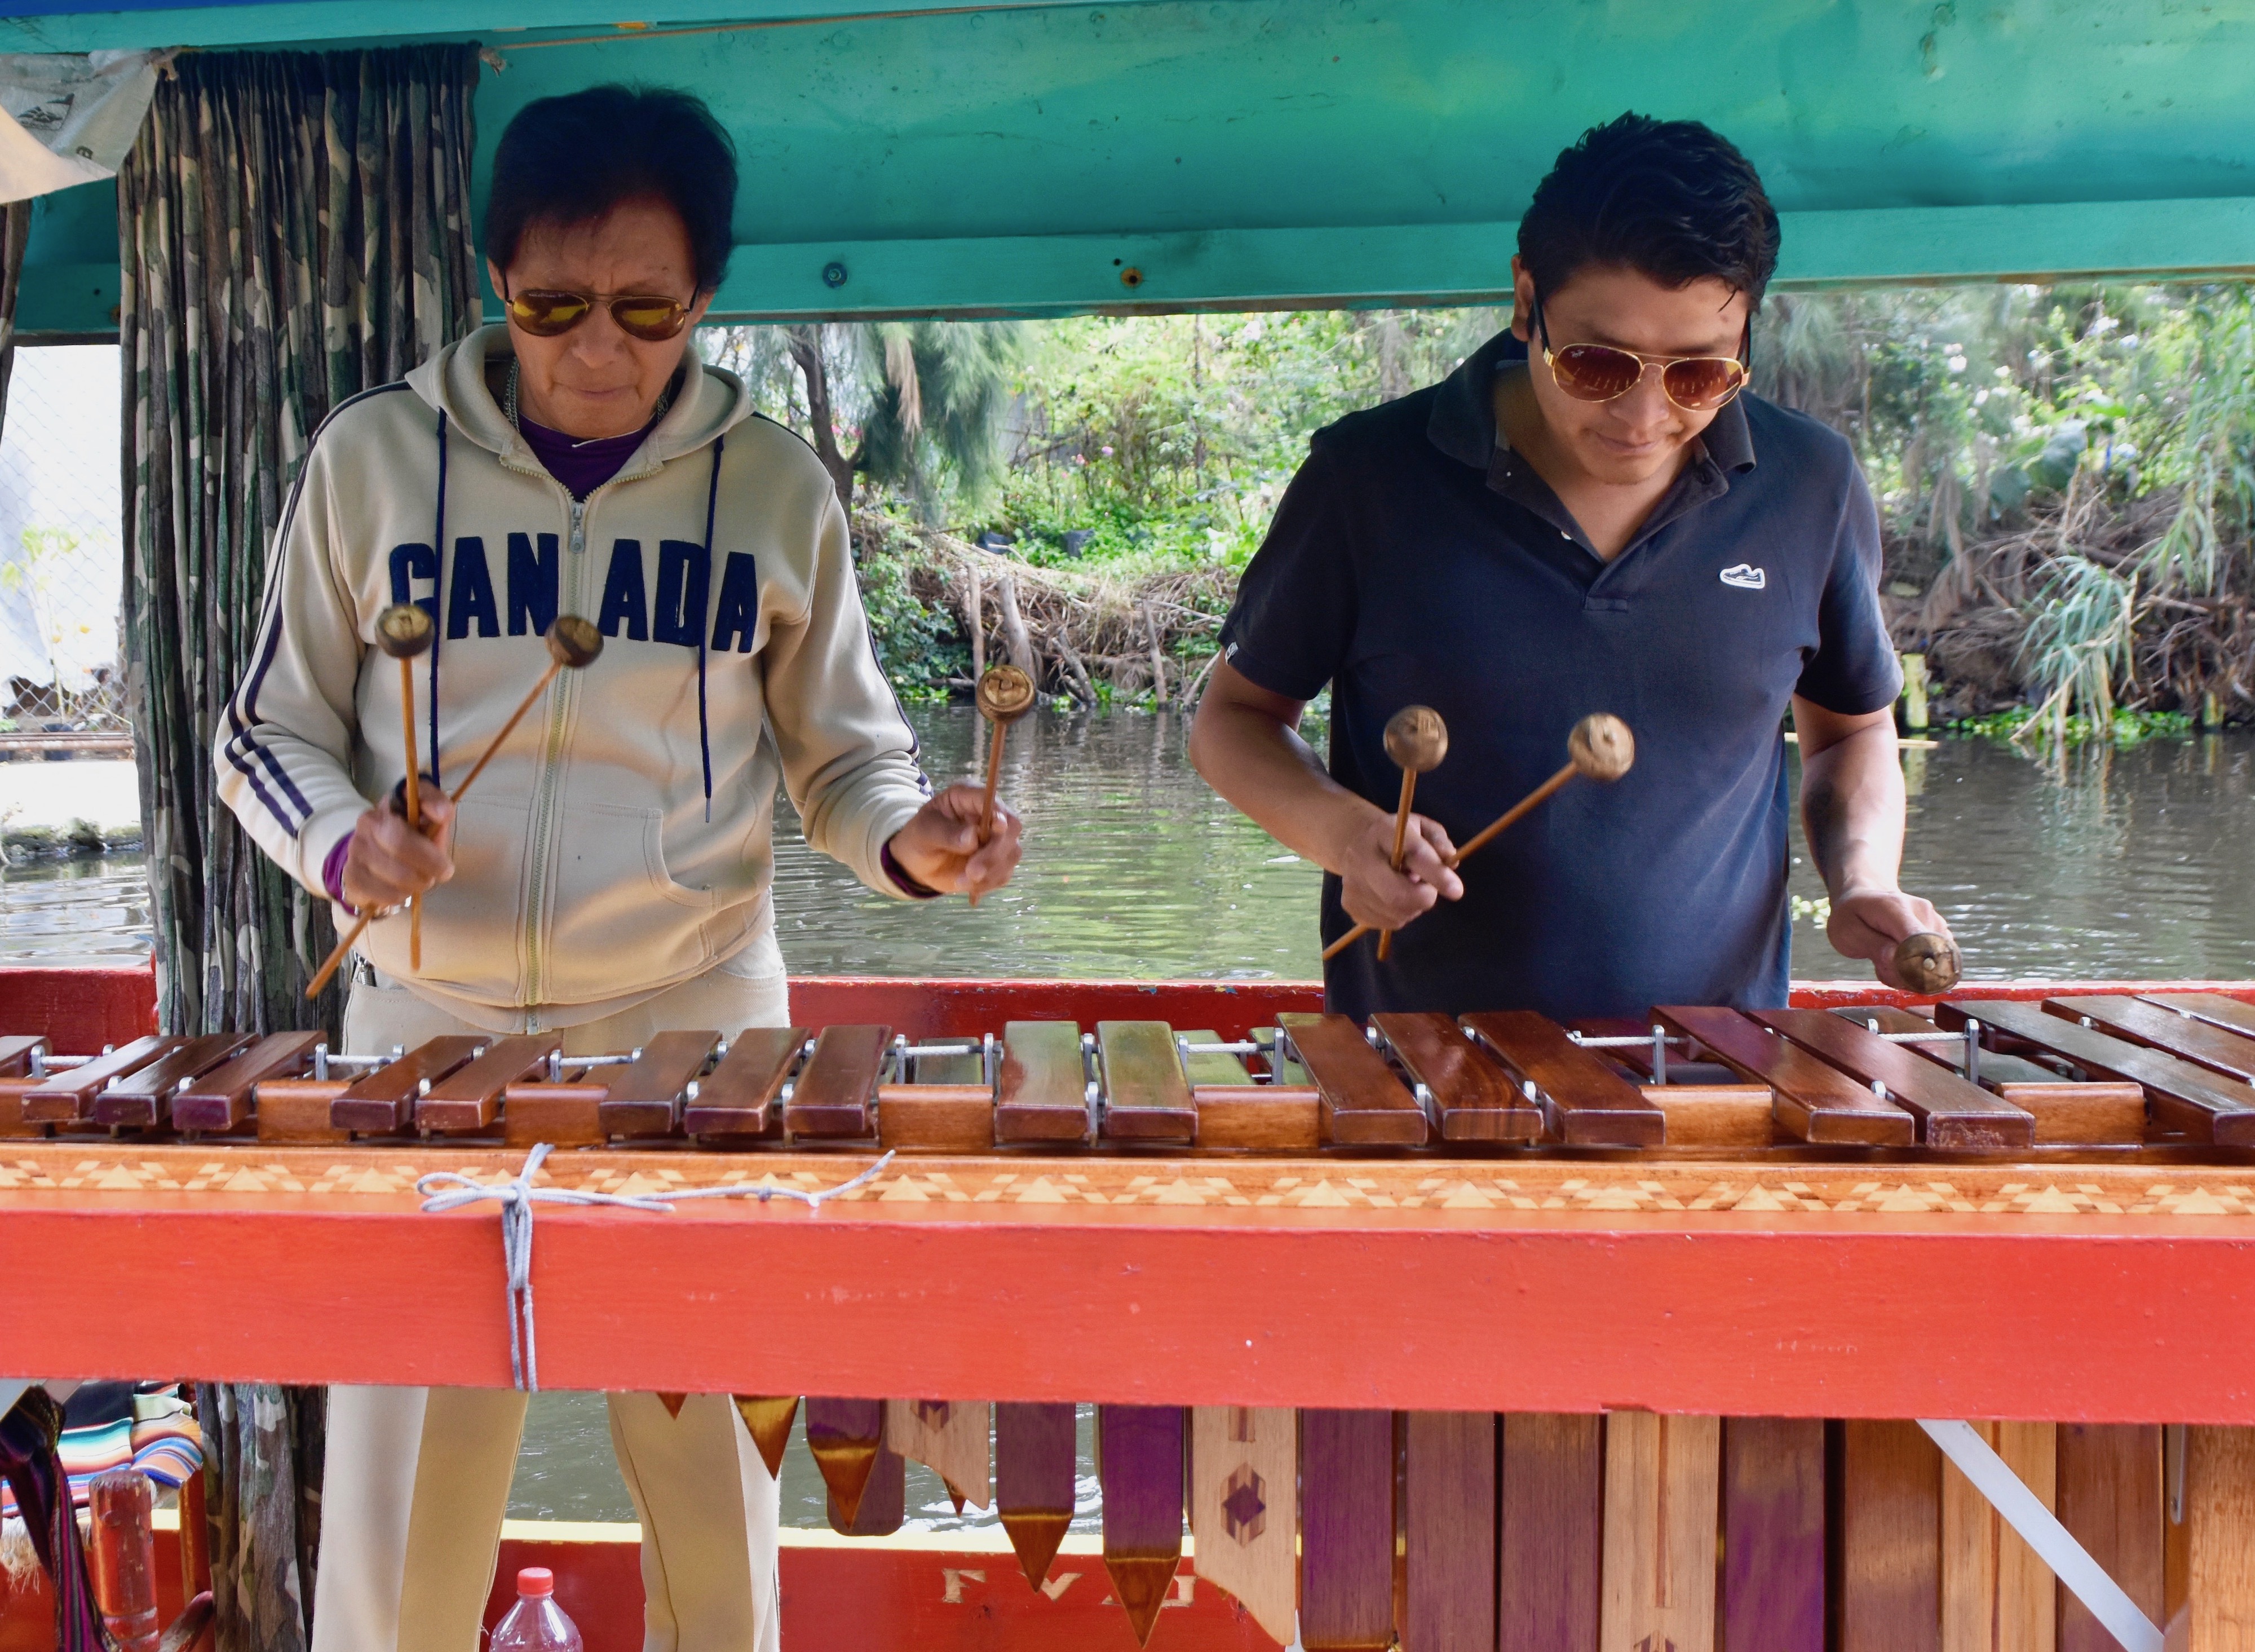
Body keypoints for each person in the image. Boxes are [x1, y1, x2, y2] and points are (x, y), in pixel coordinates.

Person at [214, 85, 1022, 1652]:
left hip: (700, 1031)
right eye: (552, 306)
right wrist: (343, 839)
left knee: (718, 1491)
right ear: (491, 279)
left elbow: (845, 755)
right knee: (397, 1515)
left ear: (707, 297)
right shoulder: (369, 463)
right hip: (426, 1031)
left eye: (648, 310)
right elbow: (267, 732)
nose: (598, 349)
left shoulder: (775, 489)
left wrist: (910, 839)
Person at [1190, 113, 1949, 1019]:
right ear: (1525, 301)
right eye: (1596, 362)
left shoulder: (1809, 487)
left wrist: (1864, 876)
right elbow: (1232, 723)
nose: (1642, 415)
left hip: (1719, 1077)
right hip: (1424, 1077)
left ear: (1747, 335)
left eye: (1699, 374)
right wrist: (1346, 834)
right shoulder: (1369, 480)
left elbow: (1854, 732)